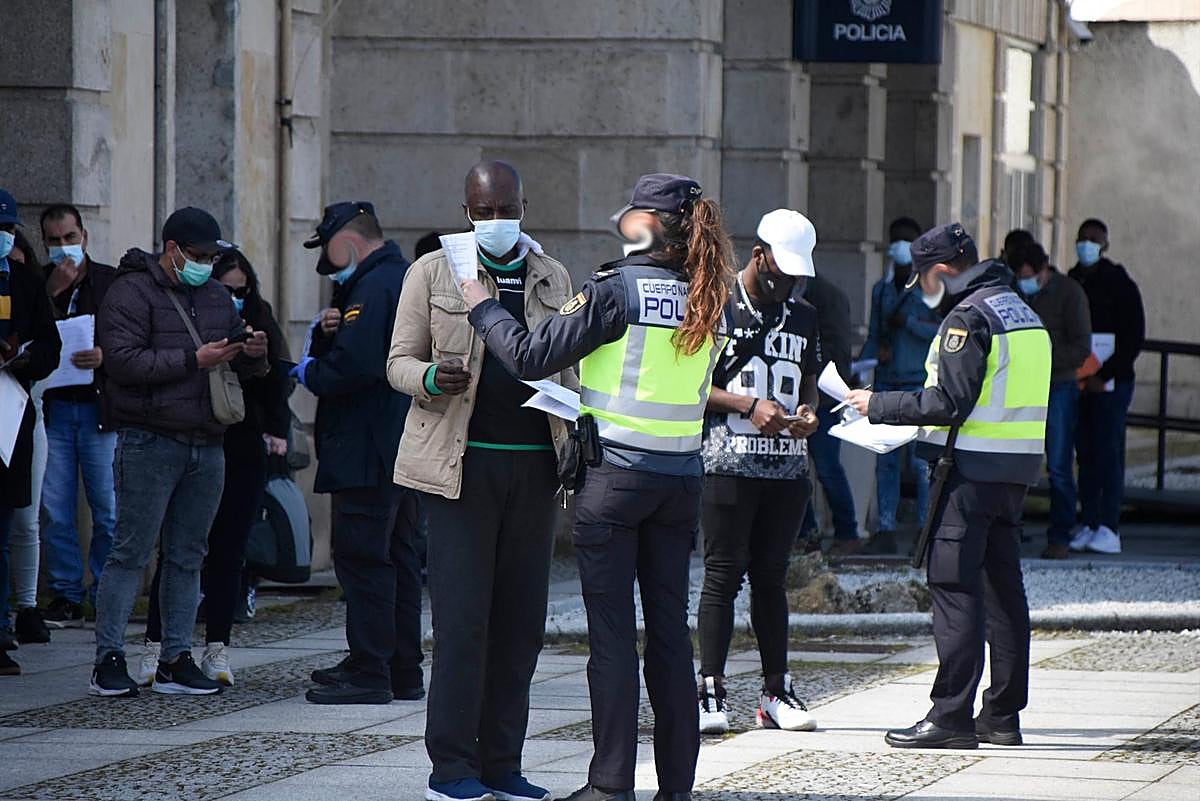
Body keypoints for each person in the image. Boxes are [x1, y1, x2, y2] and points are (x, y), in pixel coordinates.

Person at [461, 173, 735, 801]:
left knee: (612, 635)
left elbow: (531, 356)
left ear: (645, 224)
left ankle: (611, 784)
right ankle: (677, 788)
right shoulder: (709, 292)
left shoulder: (616, 288)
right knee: (670, 635)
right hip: (680, 481)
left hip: (615, 482)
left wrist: (483, 307)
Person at [388, 161, 577, 801]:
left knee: (520, 625)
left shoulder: (552, 275)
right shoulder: (433, 273)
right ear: (466, 210)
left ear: (524, 206)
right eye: (483, 210)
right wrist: (432, 379)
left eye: (506, 209)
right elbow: (398, 363)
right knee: (463, 622)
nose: (496, 221)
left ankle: (503, 762)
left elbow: (567, 364)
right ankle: (453, 766)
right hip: (458, 469)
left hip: (533, 468)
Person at [845, 223, 1050, 750]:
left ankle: (950, 717)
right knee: (1005, 595)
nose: (923, 290)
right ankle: (1002, 717)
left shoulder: (969, 317)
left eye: (924, 278)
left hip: (969, 476)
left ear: (941, 271)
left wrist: (879, 405)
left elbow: (947, 402)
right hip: (1014, 474)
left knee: (955, 590)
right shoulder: (1023, 312)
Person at [89, 207, 268, 697]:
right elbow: (122, 363)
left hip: (207, 442)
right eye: (200, 255)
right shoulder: (130, 292)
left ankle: (175, 657)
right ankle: (108, 658)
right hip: (150, 439)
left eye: (213, 255)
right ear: (172, 250)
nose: (208, 264)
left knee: (189, 555)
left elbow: (244, 370)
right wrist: (194, 359)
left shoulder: (214, 295)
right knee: (130, 551)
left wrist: (253, 353)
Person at [290, 201, 424, 705]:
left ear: (346, 239)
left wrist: (306, 370)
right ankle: (400, 667)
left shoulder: (373, 284)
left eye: (327, 249)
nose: (325, 263)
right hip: (399, 444)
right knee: (398, 556)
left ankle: (372, 669)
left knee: (364, 558)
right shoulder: (400, 277)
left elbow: (355, 365)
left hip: (369, 446)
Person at [140, 248, 292, 686]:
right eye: (228, 290)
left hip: (242, 446)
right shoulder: (185, 316)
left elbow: (275, 386)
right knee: (179, 549)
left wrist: (254, 357)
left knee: (228, 551)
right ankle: (158, 645)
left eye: (242, 290)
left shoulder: (259, 320)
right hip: (195, 440)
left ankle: (217, 648)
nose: (236, 298)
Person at [696, 209, 820, 735]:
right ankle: (710, 690)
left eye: (797, 277)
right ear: (757, 255)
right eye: (781, 273)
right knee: (723, 574)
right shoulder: (715, 304)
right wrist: (747, 406)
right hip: (726, 464)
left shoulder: (805, 314)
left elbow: (810, 376)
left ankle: (775, 690)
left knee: (772, 577)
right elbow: (692, 387)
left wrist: (809, 413)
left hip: (788, 470)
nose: (788, 284)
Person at [36, 204, 120, 630]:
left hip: (98, 407)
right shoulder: (39, 283)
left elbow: (131, 338)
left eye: (69, 238)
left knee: (106, 506)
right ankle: (65, 592)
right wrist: (50, 291)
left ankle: (105, 591)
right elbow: (26, 333)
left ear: (84, 236)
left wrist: (106, 356)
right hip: (54, 408)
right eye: (54, 240)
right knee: (55, 506)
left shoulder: (109, 282)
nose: (63, 247)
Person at [0, 189, 62, 676]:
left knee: (9, 525)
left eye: (7, 230)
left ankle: (3, 624)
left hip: (12, 413)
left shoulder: (25, 281)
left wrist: (21, 360)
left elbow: (49, 345)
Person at [853, 216, 940, 556]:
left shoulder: (932, 290)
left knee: (921, 463)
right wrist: (864, 362)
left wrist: (911, 323)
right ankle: (885, 527)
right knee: (885, 459)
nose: (899, 246)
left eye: (906, 239)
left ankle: (924, 528)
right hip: (887, 382)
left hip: (918, 384)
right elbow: (875, 334)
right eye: (896, 239)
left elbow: (940, 333)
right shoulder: (882, 289)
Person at [1009, 240, 1092, 559]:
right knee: (1015, 463)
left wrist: (1041, 360)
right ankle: (1010, 531)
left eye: (1029, 275)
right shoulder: (1016, 293)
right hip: (1021, 388)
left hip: (1058, 386)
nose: (1025, 281)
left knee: (1058, 466)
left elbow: (1081, 347)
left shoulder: (1069, 293)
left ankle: (1060, 536)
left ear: (1044, 269)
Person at [1067, 219, 1144, 555]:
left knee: (1109, 453)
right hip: (1080, 382)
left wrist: (1106, 374)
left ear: (1105, 244)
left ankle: (1109, 526)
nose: (1086, 245)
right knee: (1085, 453)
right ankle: (1090, 520)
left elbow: (1132, 336)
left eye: (1093, 240)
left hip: (1111, 383)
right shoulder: (1072, 281)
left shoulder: (1119, 283)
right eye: (1082, 239)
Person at [7, 230, 52, 647]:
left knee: (24, 517)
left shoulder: (31, 290)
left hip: (23, 415)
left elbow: (49, 347)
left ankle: (25, 605)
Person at [797, 268, 859, 551]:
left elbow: (835, 352)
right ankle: (809, 533)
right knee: (805, 468)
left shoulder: (824, 298)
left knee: (825, 467)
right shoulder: (823, 294)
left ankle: (845, 532)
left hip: (822, 395)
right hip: (814, 393)